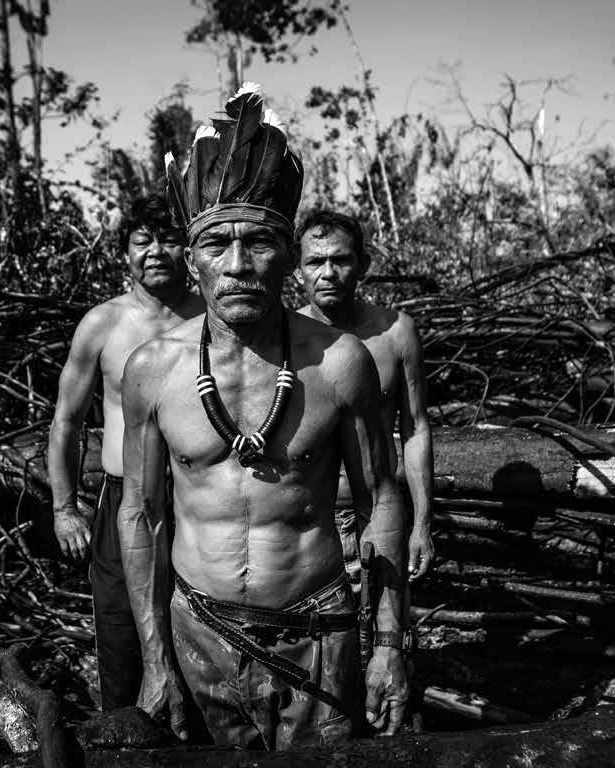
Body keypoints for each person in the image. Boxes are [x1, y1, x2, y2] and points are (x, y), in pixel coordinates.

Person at [118, 84, 409, 750]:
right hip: (199, 632)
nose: (239, 265)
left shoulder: (340, 364)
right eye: (216, 244)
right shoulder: (154, 369)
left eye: (260, 243)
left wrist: (389, 642)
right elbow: (140, 513)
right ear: (191, 257)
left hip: (318, 632)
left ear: (288, 253)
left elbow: (382, 501)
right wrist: (155, 655)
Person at [47, 195, 203, 712]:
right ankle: (125, 736)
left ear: (190, 249)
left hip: (194, 498)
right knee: (120, 636)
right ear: (125, 255)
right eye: (143, 241)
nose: (157, 251)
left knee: (197, 632)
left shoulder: (213, 320)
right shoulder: (103, 325)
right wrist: (65, 508)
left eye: (170, 239)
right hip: (120, 503)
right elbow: (66, 422)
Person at [296, 211, 434, 588]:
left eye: (340, 260)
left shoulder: (395, 333)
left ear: (363, 265)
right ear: (297, 271)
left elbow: (416, 429)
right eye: (315, 262)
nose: (328, 272)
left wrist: (421, 523)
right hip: (310, 522)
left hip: (380, 512)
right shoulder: (286, 342)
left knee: (386, 640)